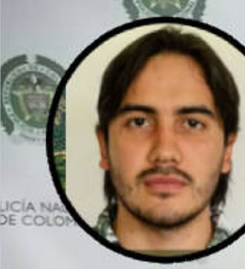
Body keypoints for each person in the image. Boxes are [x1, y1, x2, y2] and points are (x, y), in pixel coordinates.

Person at [93, 26, 237, 253]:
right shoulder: (57, 264)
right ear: (104, 147)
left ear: (227, 150)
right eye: (139, 122)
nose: (165, 153)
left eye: (192, 123)